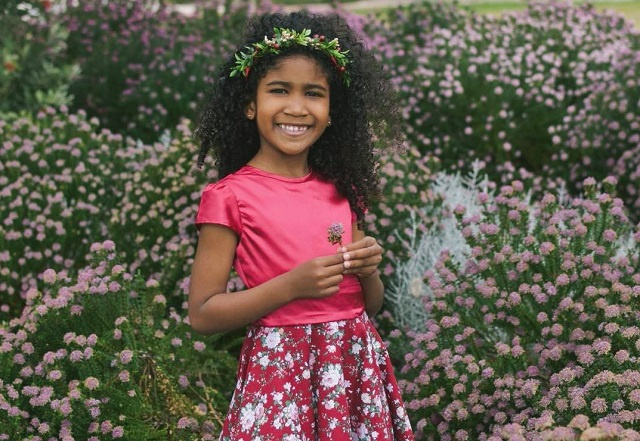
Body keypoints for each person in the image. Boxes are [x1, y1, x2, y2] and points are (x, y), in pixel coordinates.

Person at [189, 10, 414, 441]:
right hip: (281, 375)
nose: (296, 107)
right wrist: (291, 286)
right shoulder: (230, 197)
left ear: (332, 112)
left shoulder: (343, 191)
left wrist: (368, 270)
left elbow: (368, 305)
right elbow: (202, 314)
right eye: (279, 90)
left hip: (353, 370)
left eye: (314, 93)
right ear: (250, 104)